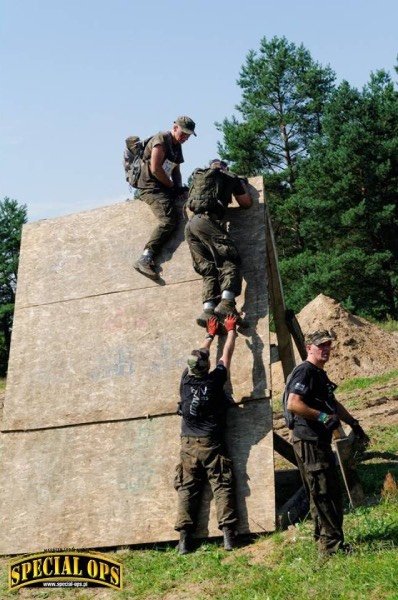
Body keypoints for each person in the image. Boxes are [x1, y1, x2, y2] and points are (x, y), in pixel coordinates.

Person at [286, 329, 369, 557]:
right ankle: (332, 549)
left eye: (328, 345)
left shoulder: (319, 373)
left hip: (317, 441)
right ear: (308, 348)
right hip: (309, 441)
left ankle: (325, 541)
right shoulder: (305, 372)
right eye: (320, 345)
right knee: (324, 493)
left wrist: (353, 422)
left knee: (323, 491)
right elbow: (293, 403)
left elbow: (332, 403)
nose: (325, 349)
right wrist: (322, 417)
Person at [174, 314, 239, 554]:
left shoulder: (185, 381)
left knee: (187, 489)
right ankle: (229, 538)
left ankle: (183, 541)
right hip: (212, 442)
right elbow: (227, 356)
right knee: (222, 485)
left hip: (188, 443)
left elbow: (200, 355)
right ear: (207, 367)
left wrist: (209, 336)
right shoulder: (214, 381)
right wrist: (230, 331)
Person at [185, 159, 252, 327]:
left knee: (208, 269)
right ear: (224, 167)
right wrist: (241, 184)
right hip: (207, 221)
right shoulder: (229, 177)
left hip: (191, 225)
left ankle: (208, 311)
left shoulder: (199, 178)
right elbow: (246, 203)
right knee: (230, 258)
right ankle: (227, 304)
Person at [134, 116, 196, 280]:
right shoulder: (161, 139)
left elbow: (176, 170)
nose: (185, 138)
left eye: (188, 136)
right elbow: (155, 169)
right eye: (183, 133)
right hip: (150, 188)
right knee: (169, 220)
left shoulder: (177, 146)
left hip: (163, 187)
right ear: (175, 127)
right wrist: (171, 186)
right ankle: (145, 257)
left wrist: (179, 187)